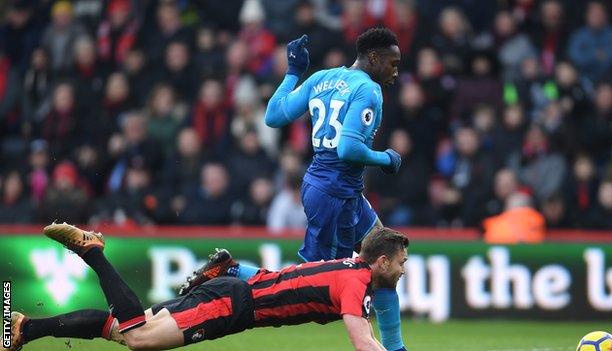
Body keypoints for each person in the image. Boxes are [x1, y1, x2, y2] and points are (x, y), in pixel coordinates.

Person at [183, 27, 406, 350]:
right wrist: (385, 158)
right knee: (308, 291)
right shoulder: (369, 90)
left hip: (338, 190)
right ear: (374, 58)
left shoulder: (322, 78)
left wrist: (292, 73)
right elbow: (348, 149)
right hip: (334, 194)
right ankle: (232, 269)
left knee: (385, 261)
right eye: (392, 63)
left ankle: (397, 348)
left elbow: (273, 115)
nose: (395, 71)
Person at [4, 222, 408, 351]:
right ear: (383, 261)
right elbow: (362, 342)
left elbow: (279, 280)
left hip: (237, 297)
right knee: (140, 339)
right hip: (233, 307)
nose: (404, 271)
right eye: (402, 263)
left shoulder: (345, 265)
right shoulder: (357, 282)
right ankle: (92, 252)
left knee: (120, 327)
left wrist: (236, 271)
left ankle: (25, 329)